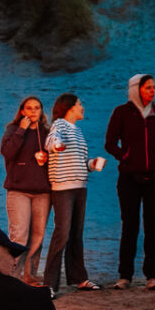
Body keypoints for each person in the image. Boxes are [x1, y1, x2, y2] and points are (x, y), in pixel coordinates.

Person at [105, 73, 155, 290]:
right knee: (130, 226)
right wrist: (125, 157)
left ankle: (152, 276)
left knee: (152, 227)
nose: (152, 91)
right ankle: (125, 275)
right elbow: (109, 143)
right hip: (128, 178)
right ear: (136, 89)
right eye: (148, 88)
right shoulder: (122, 112)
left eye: (153, 87)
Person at [43, 94, 99, 294]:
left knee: (76, 233)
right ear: (69, 107)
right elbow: (51, 141)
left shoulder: (77, 131)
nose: (82, 107)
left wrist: (92, 165)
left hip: (80, 186)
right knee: (62, 233)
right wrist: (56, 145)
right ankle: (49, 284)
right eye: (80, 104)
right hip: (63, 188)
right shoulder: (60, 125)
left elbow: (80, 162)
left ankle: (79, 279)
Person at [0, 95, 52, 286]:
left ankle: (29, 276)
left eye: (36, 108)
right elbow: (7, 153)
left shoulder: (46, 132)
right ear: (22, 111)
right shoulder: (12, 130)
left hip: (42, 191)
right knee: (19, 234)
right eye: (29, 108)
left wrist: (47, 158)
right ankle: (12, 277)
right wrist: (21, 130)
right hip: (18, 190)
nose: (33, 112)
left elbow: (57, 157)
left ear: (41, 111)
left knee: (37, 236)